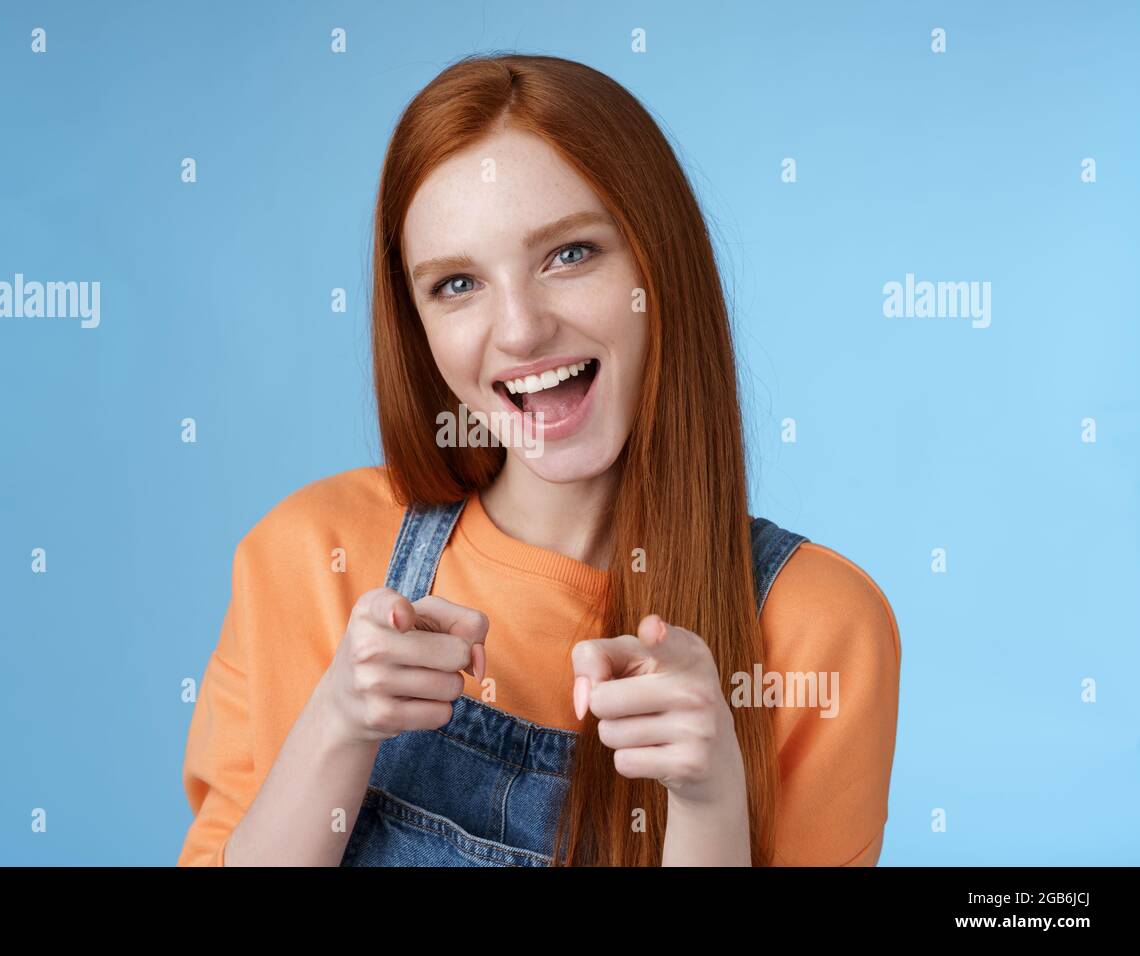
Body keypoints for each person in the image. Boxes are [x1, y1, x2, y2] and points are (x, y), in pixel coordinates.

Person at [178, 52, 901, 867]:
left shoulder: (818, 631)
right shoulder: (308, 555)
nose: (519, 329)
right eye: (456, 283)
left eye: (569, 255)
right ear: (414, 326)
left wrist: (709, 803)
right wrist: (337, 727)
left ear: (658, 266)